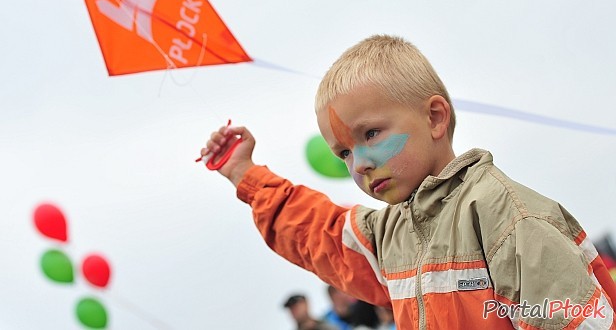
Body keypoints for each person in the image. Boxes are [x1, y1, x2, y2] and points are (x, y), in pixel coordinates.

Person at [202, 35, 616, 328]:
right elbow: (319, 233)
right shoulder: (392, 235)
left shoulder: (507, 217)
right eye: (344, 153)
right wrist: (244, 174)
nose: (359, 163)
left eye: (370, 135)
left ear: (435, 117)